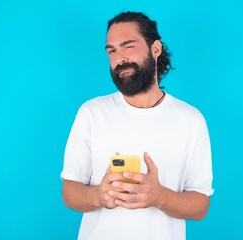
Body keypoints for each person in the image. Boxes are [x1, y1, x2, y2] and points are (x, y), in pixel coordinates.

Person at [61, 11, 214, 240]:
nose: (119, 58)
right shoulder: (91, 113)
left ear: (155, 49)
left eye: (128, 46)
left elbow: (200, 205)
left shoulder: (190, 120)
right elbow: (70, 190)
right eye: (112, 50)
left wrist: (159, 197)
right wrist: (98, 197)